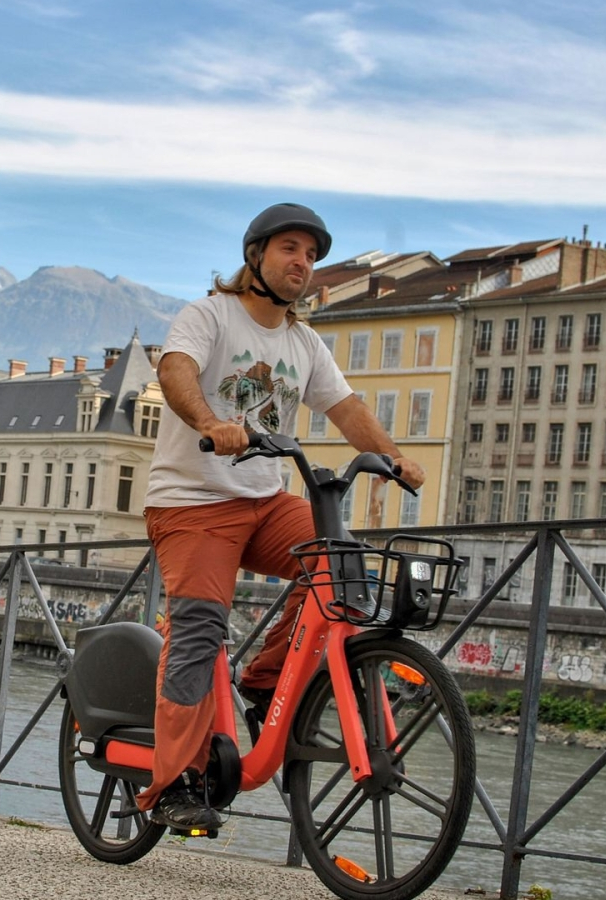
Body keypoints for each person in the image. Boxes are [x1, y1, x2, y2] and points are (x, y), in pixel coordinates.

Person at [135, 203, 426, 831]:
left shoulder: (303, 341)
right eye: (290, 248)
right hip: (192, 503)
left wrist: (395, 459)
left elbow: (345, 407)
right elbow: (176, 368)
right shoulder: (209, 315)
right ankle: (175, 782)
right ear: (256, 256)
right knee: (197, 630)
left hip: (264, 501)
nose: (303, 263)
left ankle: (265, 682)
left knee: (337, 560)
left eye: (312, 255)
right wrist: (211, 423)